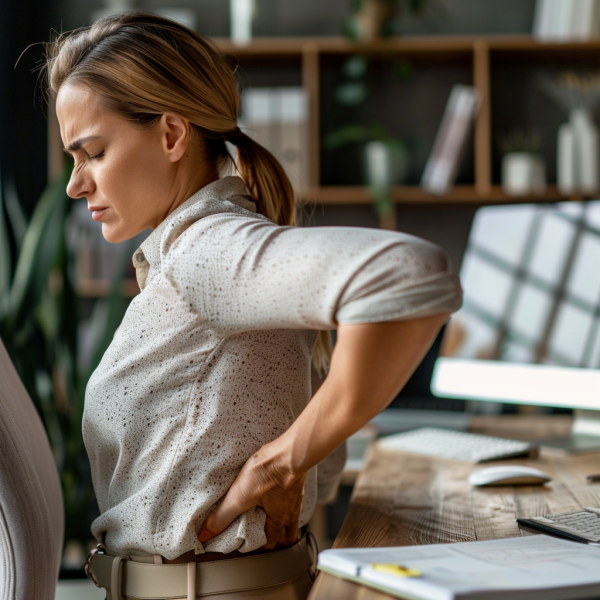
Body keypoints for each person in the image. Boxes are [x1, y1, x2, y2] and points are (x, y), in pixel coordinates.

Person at [46, 12, 462, 600]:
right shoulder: (192, 257)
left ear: (170, 135)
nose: (75, 183)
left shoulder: (205, 250)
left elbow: (408, 274)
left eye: (92, 152)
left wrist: (284, 463)